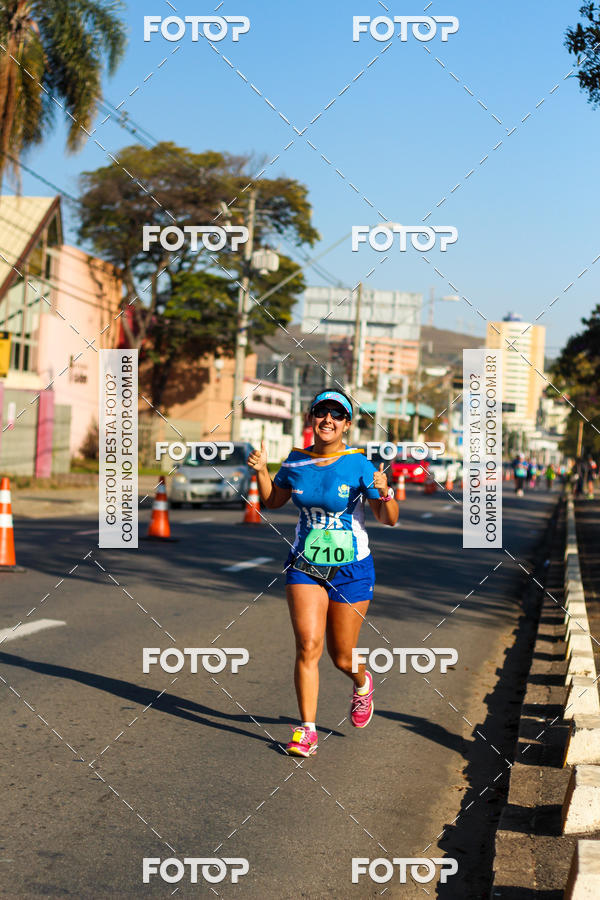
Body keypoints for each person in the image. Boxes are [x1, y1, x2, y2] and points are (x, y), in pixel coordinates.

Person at [247, 389, 398, 758]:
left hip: (352, 568)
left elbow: (388, 519)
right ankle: (307, 730)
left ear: (347, 423)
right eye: (321, 413)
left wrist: (385, 492)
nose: (327, 420)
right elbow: (273, 501)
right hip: (305, 564)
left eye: (336, 414)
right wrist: (263, 472)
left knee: (342, 656)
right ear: (311, 418)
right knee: (307, 646)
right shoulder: (296, 462)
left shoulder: (359, 464)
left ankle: (362, 683)